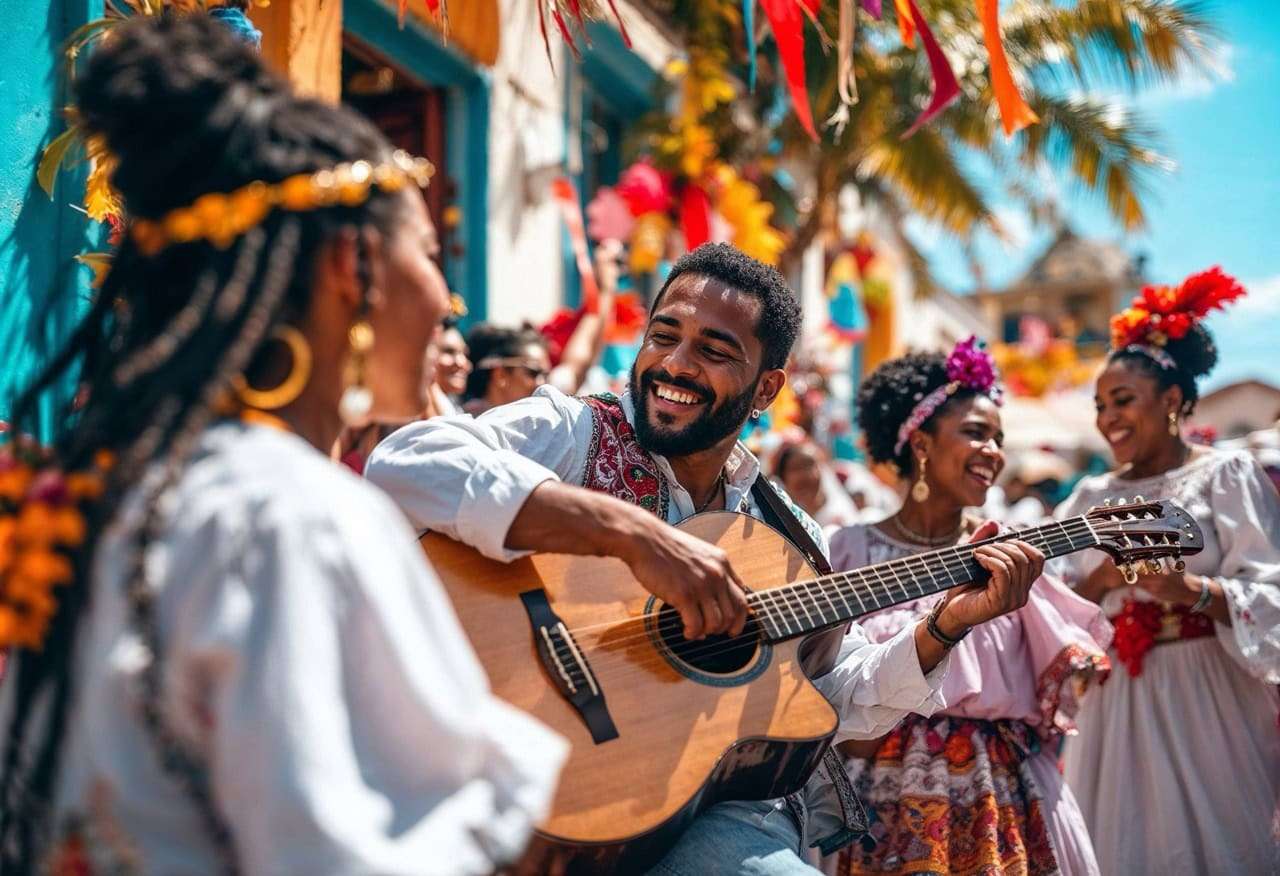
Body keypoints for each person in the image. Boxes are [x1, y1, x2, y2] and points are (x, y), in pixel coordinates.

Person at [0, 15, 565, 874]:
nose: (449, 302)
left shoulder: (105, 491)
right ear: (352, 267)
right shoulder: (294, 517)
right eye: (427, 253)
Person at [366, 243, 1047, 874]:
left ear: (766, 389)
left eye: (714, 350)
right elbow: (404, 463)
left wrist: (947, 625)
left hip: (700, 817)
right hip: (521, 776)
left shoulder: (788, 534)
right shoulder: (571, 431)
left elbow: (826, 697)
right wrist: (633, 536)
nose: (676, 364)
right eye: (665, 335)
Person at [825, 340, 1110, 876]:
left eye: (998, 438)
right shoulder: (845, 551)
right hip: (872, 796)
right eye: (977, 432)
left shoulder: (1011, 554)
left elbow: (1057, 693)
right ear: (921, 442)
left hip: (999, 801)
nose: (995, 452)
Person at [1054, 267, 1280, 875]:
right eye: (1101, 405)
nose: (1108, 418)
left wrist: (1194, 591)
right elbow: (1047, 601)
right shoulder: (1087, 497)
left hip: (1208, 691)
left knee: (1220, 842)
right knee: (1118, 842)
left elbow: (1273, 592)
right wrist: (1101, 582)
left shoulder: (1224, 477)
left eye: (1123, 401)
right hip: (1113, 699)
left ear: (1173, 401)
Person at [462, 324, 552, 415]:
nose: (542, 384)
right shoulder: (465, 423)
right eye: (533, 373)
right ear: (500, 375)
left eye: (546, 375)